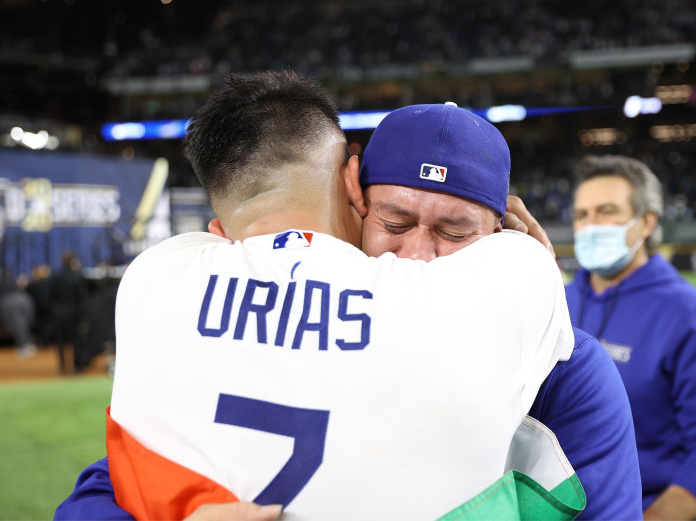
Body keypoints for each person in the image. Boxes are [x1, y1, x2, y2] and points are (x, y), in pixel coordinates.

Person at [57, 103, 641, 520]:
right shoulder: (266, 317)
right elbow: (105, 487)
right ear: (355, 200)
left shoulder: (572, 377)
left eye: (453, 231)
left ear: (503, 230)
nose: (417, 253)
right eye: (394, 223)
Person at [565, 154, 696, 520]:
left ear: (646, 222)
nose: (590, 226)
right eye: (582, 215)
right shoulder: (558, 302)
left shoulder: (691, 315)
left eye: (606, 212)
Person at [49, 251, 86, 374]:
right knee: (76, 340)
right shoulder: (76, 276)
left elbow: (51, 296)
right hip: (73, 313)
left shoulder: (56, 276)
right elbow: (80, 298)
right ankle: (76, 367)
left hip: (59, 313)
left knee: (60, 341)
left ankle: (62, 368)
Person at [0, 270, 37, 359]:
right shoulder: (13, 283)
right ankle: (25, 344)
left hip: (13, 301)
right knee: (22, 325)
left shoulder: (5, 286)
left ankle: (25, 345)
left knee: (19, 326)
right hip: (21, 299)